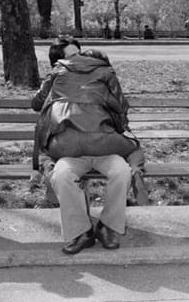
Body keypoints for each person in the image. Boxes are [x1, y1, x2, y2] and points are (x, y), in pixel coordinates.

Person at [32, 38, 143, 255]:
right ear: (60, 61)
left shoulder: (100, 72)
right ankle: (81, 231)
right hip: (74, 146)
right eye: (73, 56)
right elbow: (121, 107)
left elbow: (36, 103)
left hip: (101, 146)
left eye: (80, 54)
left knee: (121, 172)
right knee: (62, 175)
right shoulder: (63, 73)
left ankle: (107, 227)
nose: (81, 60)